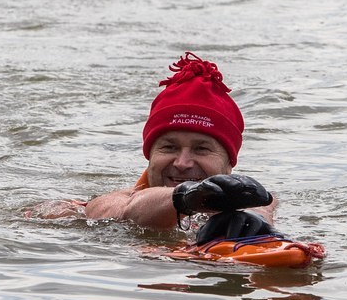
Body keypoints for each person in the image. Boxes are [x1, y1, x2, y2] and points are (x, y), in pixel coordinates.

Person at [84, 52, 279, 245]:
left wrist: (254, 219)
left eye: (201, 149)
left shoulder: (258, 204)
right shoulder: (115, 201)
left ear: (229, 163)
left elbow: (265, 205)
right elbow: (117, 209)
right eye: (169, 147)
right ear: (150, 156)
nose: (182, 163)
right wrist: (185, 197)